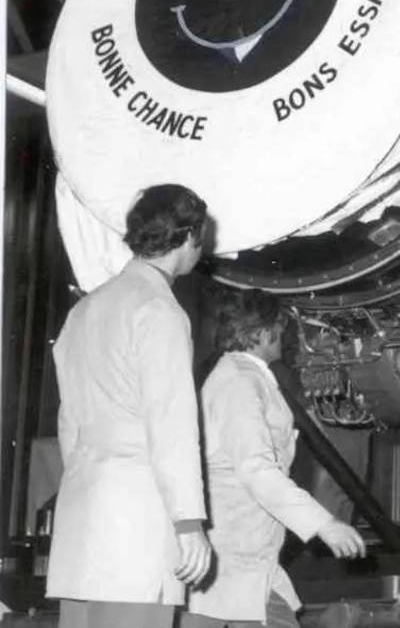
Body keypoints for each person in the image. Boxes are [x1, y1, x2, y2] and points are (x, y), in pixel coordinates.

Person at [47, 184, 213, 628]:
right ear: (190, 236)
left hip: (82, 522)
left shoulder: (85, 310)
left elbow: (68, 423)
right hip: (136, 524)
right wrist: (188, 522)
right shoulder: (159, 311)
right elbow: (171, 424)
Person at [182, 289, 365, 628]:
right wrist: (324, 525)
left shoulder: (244, 376)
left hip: (246, 559)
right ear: (263, 331)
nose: (285, 335)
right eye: (280, 327)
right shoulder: (240, 382)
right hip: (233, 558)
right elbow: (256, 469)